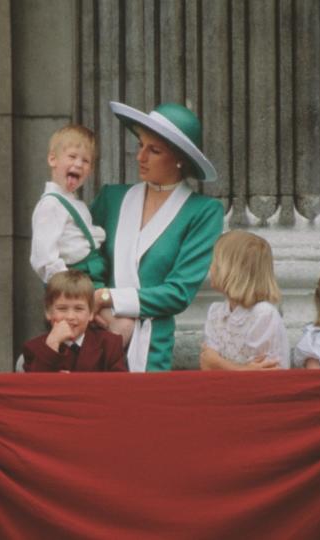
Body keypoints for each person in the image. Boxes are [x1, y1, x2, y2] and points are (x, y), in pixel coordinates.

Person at [90, 102, 224, 372]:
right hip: (95, 334)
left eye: (154, 150)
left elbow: (178, 292)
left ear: (180, 158)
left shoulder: (203, 212)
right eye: (141, 145)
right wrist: (95, 299)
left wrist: (109, 298)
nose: (140, 157)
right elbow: (83, 258)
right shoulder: (111, 198)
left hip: (151, 348)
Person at [199, 230, 289, 370]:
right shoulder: (216, 312)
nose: (210, 267)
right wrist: (242, 369)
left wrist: (218, 362)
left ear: (232, 269)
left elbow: (260, 377)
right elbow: (206, 366)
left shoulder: (263, 314)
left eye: (215, 261)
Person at [29, 124, 107, 285]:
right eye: (72, 156)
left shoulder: (76, 203)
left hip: (93, 273)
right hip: (74, 279)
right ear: (53, 159)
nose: (78, 164)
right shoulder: (50, 205)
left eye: (85, 161)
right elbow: (43, 257)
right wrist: (67, 286)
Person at [22, 270, 126, 373]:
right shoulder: (33, 348)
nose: (70, 316)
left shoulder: (110, 344)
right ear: (49, 313)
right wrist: (52, 344)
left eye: (79, 309)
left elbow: (119, 386)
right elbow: (35, 385)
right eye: (62, 309)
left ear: (91, 313)